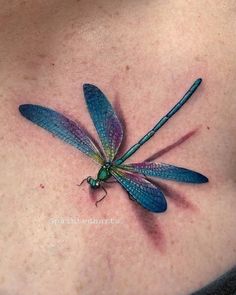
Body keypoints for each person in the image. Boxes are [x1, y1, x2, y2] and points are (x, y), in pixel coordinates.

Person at [0, 1, 235, 294]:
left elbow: (156, 203)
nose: (95, 183)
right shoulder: (111, 172)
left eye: (95, 181)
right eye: (96, 182)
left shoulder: (112, 171)